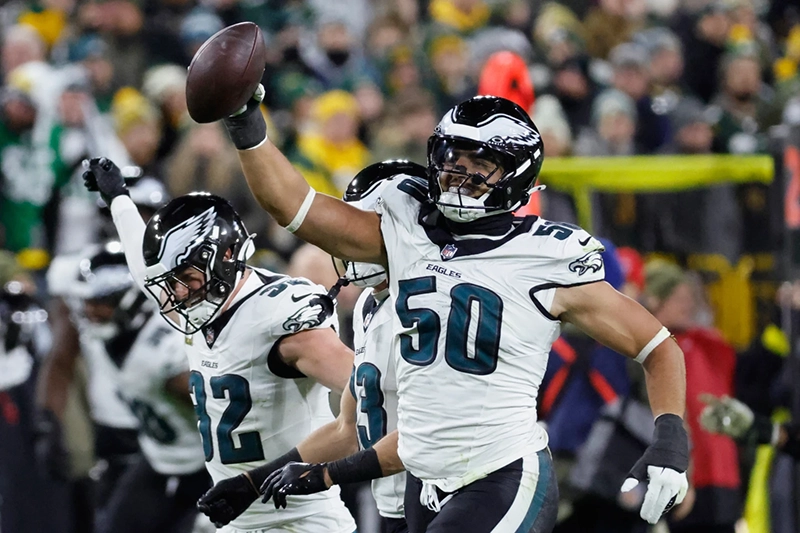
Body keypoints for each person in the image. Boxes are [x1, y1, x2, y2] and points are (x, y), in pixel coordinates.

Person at [103, 89, 688, 531]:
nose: (458, 173)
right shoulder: (407, 233)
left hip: (503, 469)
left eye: (478, 164)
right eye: (452, 157)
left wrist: (670, 437)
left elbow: (657, 346)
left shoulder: (547, 257)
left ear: (515, 174)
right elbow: (293, 206)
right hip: (422, 479)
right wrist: (247, 125)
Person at [81, 158, 357, 533]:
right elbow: (142, 266)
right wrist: (118, 199)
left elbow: (370, 395)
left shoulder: (279, 318)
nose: (177, 294)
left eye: (186, 277)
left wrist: (261, 479)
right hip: (240, 520)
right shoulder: (196, 296)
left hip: (302, 521)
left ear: (226, 256)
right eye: (170, 281)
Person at [196, 160, 425, 533]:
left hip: (451, 492)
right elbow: (348, 428)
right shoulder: (370, 304)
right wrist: (255, 482)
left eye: (368, 227)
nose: (350, 241)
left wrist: (328, 475)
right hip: (397, 503)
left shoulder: (437, 305)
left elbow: (432, 433)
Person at [64, 242, 211, 533]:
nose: (91, 310)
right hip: (157, 456)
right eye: (87, 302)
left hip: (203, 467)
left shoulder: (165, 351)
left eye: (101, 301)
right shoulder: (106, 338)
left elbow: (221, 414)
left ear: (132, 298)